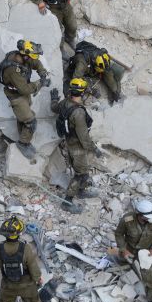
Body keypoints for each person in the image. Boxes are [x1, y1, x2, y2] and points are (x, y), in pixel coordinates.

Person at [51, 78, 106, 214]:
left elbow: (54, 108)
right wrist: (94, 149)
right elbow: (84, 137)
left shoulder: (65, 103)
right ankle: (67, 201)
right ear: (82, 93)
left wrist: (53, 99)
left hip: (69, 142)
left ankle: (81, 191)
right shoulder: (78, 113)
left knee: (82, 171)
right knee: (81, 174)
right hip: (77, 146)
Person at [0, 216, 51, 302]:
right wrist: (38, 279)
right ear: (19, 233)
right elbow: (34, 270)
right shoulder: (25, 248)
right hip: (27, 287)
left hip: (8, 287)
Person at [0, 40, 50, 159]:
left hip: (22, 90)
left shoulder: (23, 57)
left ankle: (22, 135)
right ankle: (23, 144)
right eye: (31, 56)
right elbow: (25, 89)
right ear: (25, 55)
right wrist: (40, 83)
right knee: (31, 122)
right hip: (16, 95)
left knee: (23, 117)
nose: (33, 59)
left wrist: (42, 72)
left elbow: (35, 62)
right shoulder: (13, 70)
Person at [114, 200, 152, 302]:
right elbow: (119, 234)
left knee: (148, 273)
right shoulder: (127, 219)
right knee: (122, 259)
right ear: (139, 215)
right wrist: (123, 249)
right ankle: (126, 263)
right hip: (130, 248)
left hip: (145, 250)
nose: (149, 219)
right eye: (146, 218)